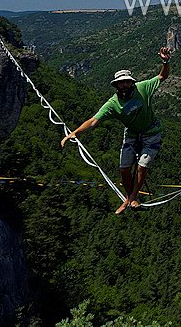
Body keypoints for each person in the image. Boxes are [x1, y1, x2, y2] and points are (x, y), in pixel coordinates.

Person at [61, 47, 171, 213]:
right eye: (121, 82)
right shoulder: (113, 104)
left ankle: (133, 197)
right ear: (116, 85)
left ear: (132, 82)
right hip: (132, 134)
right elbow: (93, 121)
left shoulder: (142, 88)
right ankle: (128, 198)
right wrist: (75, 133)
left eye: (127, 81)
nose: (125, 85)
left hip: (151, 132)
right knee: (124, 168)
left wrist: (165, 61)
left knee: (142, 166)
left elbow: (162, 76)